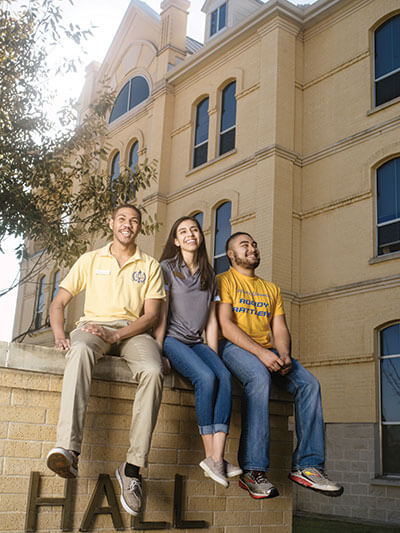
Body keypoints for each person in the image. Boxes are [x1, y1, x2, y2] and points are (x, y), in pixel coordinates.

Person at [47, 204, 165, 517]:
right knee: (81, 350)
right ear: (111, 222)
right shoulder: (90, 259)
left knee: (153, 371)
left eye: (135, 220)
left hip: (132, 333)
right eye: (122, 219)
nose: (128, 224)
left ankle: (132, 470)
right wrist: (60, 335)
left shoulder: (149, 265)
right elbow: (58, 303)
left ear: (140, 228)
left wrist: (116, 335)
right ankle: (69, 449)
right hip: (92, 328)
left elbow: (151, 315)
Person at [217, 232, 344, 499]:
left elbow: (280, 328)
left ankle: (307, 466)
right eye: (244, 245)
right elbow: (226, 326)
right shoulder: (223, 281)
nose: (252, 248)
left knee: (309, 383)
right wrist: (262, 354)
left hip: (267, 350)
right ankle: (253, 471)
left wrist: (284, 354)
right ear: (230, 254)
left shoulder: (270, 289)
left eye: (254, 244)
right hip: (233, 347)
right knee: (259, 378)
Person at [154, 216, 241, 487]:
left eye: (194, 229)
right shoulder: (166, 268)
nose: (190, 234)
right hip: (172, 339)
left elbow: (212, 321)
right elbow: (162, 312)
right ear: (176, 241)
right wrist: (158, 350)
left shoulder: (209, 274)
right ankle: (212, 458)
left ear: (200, 237)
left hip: (196, 341)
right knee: (205, 378)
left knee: (223, 376)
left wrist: (214, 356)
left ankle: (217, 457)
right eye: (183, 231)